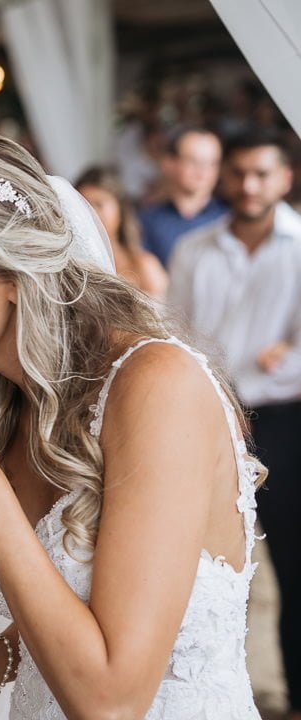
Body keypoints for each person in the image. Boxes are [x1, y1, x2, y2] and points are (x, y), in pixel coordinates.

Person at [0, 130, 264, 719]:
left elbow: (112, 703)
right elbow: (84, 607)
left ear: (11, 270)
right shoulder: (7, 402)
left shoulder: (158, 386)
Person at [168, 129, 301, 720]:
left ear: (285, 178)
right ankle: (216, 696)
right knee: (209, 566)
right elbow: (176, 335)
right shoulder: (194, 251)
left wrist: (288, 352)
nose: (249, 186)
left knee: (296, 566)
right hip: (211, 417)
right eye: (240, 173)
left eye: (262, 174)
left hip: (288, 419)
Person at [76, 166, 168, 301]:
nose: (92, 214)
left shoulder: (143, 265)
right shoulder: (72, 267)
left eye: (99, 204)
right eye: (84, 205)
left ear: (120, 209)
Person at [139, 127, 227, 267]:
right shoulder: (147, 220)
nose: (202, 171)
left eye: (211, 163)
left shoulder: (230, 218)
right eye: (193, 161)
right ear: (168, 163)